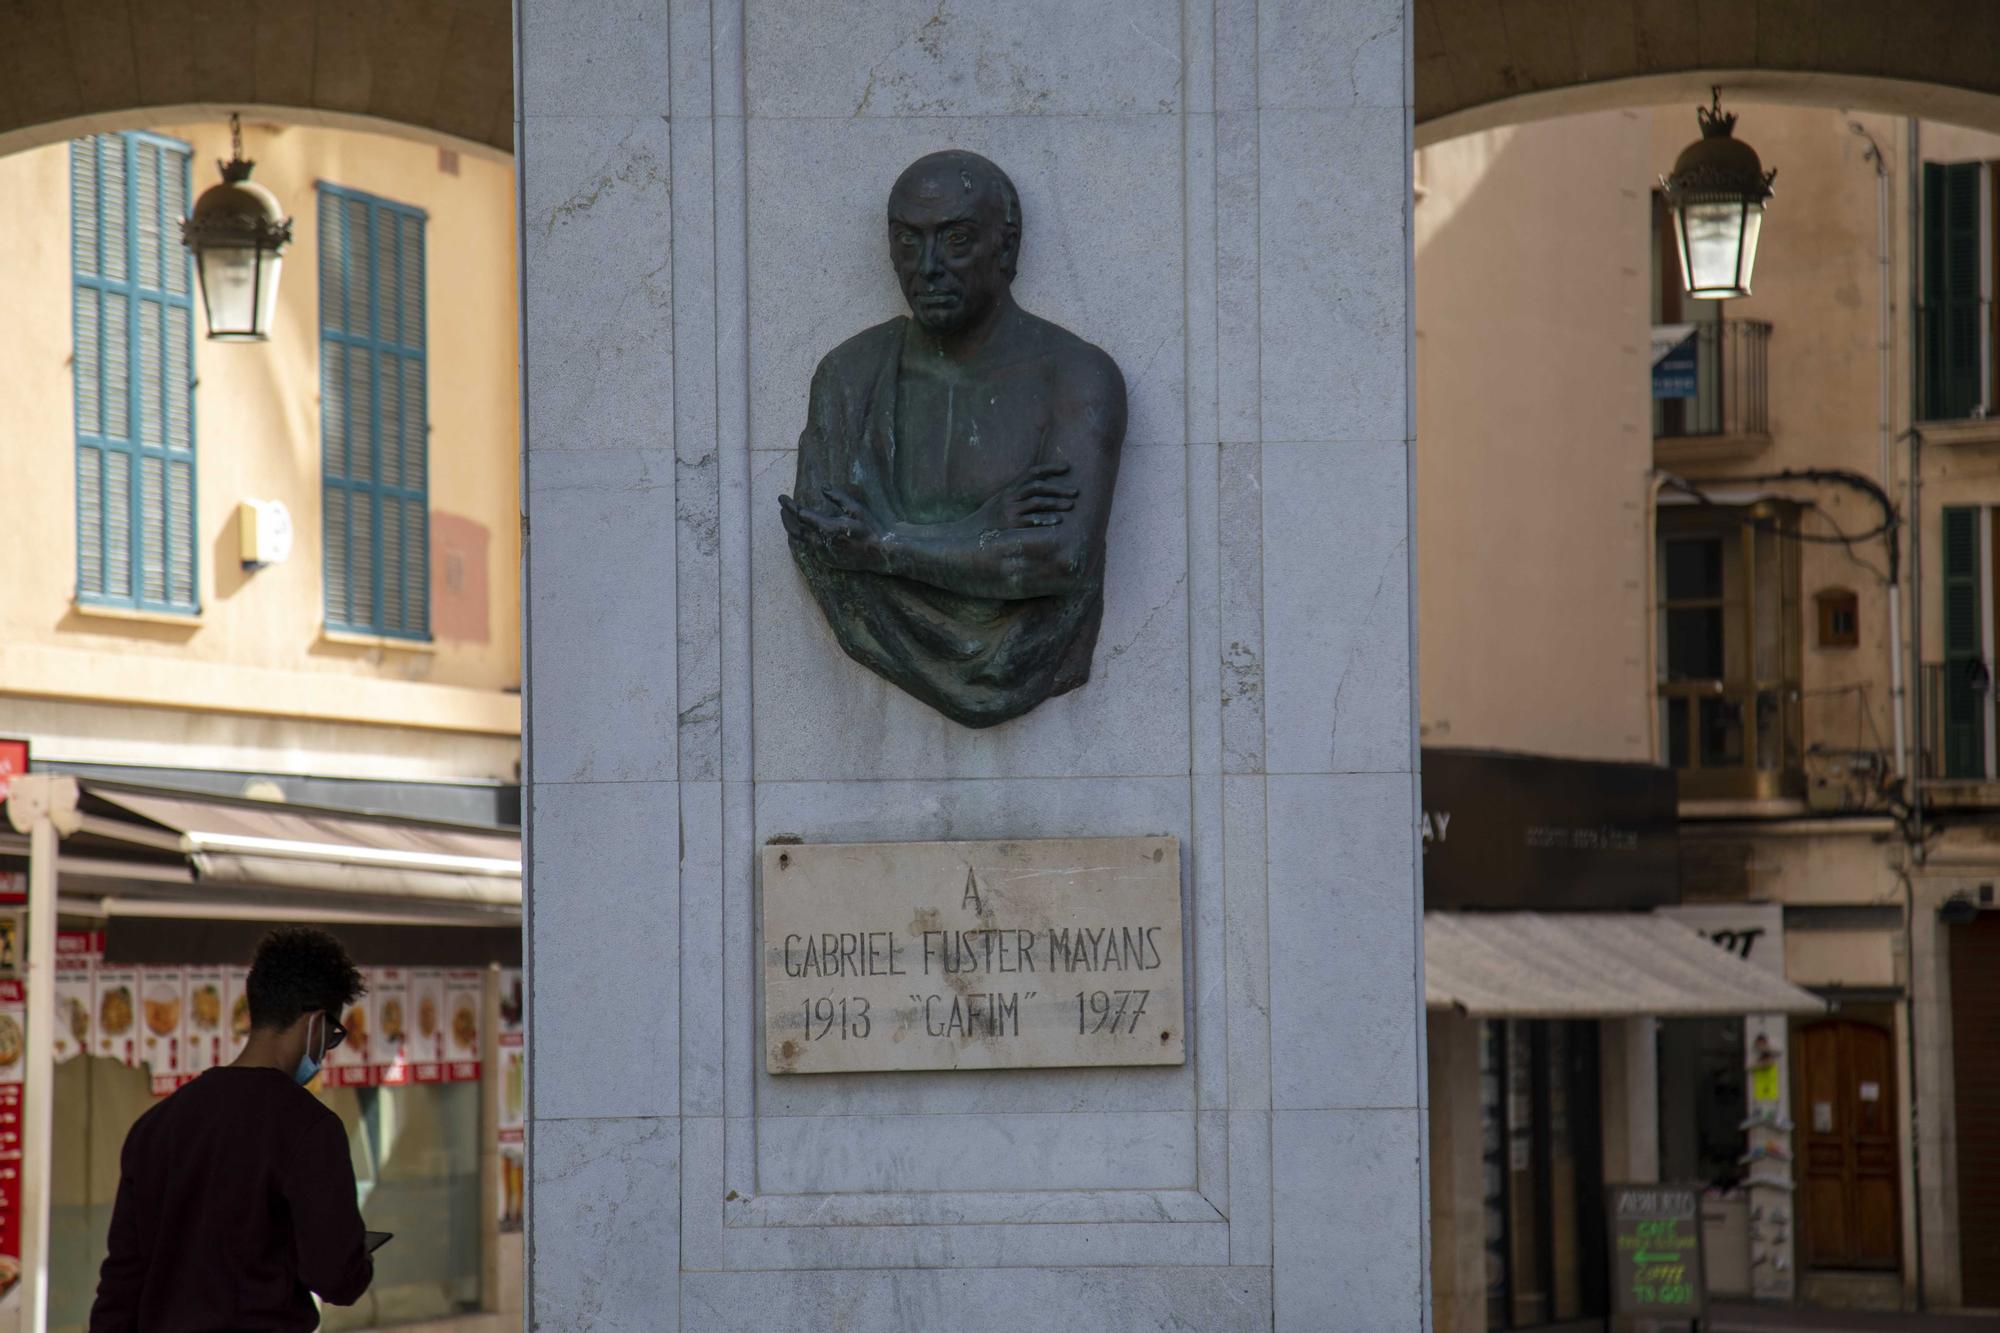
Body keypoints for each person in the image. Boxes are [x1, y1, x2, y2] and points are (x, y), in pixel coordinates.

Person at [779, 149, 1128, 727]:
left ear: (1006, 246)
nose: (929, 266)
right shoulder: (849, 376)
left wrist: (885, 547)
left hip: (1030, 656)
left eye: (957, 238)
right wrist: (979, 532)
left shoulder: (1076, 375)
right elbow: (827, 544)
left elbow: (1061, 559)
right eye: (908, 241)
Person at [90, 927, 374, 1331]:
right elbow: (336, 1278)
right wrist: (357, 1254)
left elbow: (121, 1284)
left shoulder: (155, 1127)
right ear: (315, 1024)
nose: (326, 1052)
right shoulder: (310, 1128)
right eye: (332, 1037)